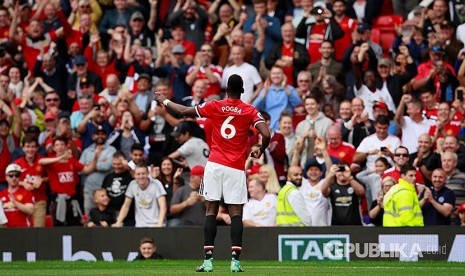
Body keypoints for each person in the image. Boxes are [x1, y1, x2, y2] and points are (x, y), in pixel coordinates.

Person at [155, 74, 270, 273]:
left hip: (215, 165)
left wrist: (163, 100)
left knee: (211, 210)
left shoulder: (214, 105)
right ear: (242, 91)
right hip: (235, 167)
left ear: (226, 89)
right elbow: (266, 133)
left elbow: (183, 111)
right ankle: (235, 262)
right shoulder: (249, 110)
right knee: (235, 214)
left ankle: (208, 261)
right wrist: (260, 148)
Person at [101, 152, 135, 226]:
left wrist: (129, 168)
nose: (116, 167)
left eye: (119, 164)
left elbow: (137, 178)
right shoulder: (108, 177)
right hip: (111, 214)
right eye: (114, 164)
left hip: (129, 214)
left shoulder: (129, 175)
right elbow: (103, 192)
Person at [299, 160, 331, 226]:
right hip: (304, 226)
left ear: (321, 173)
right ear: (307, 173)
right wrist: (296, 152)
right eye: (311, 170)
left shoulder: (324, 183)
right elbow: (292, 170)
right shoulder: (302, 183)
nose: (313, 172)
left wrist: (324, 151)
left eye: (316, 170)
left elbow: (330, 172)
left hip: (322, 226)